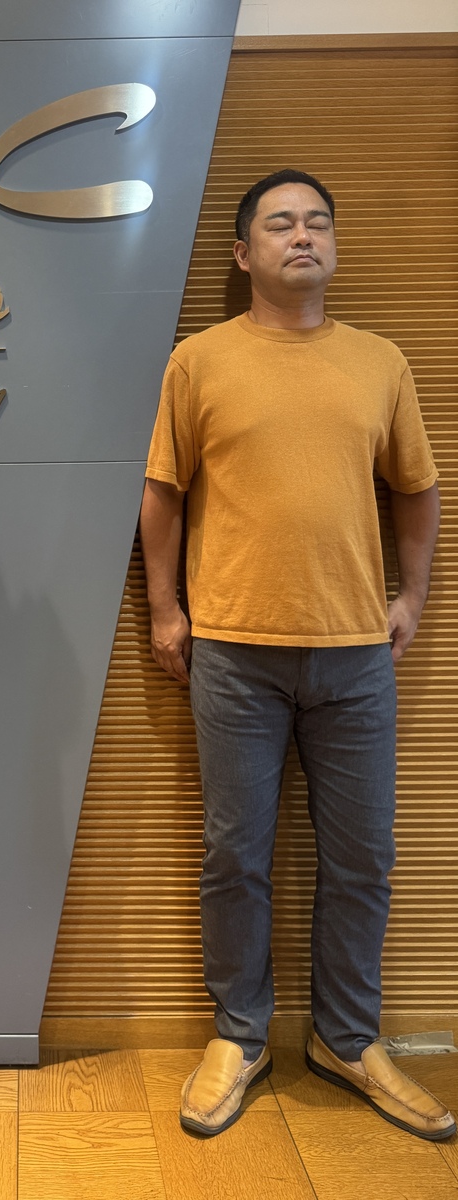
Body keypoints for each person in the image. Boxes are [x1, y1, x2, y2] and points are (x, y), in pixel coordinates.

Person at [139, 169, 454, 1142]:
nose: (303, 235)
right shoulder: (199, 362)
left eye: (318, 221)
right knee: (235, 856)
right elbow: (163, 491)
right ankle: (239, 1035)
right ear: (245, 254)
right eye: (280, 224)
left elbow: (417, 489)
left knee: (363, 858)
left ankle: (346, 1039)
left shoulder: (380, 362)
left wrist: (411, 598)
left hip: (357, 656)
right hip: (232, 653)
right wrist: (165, 609)